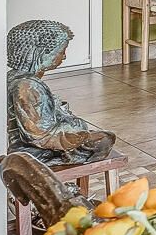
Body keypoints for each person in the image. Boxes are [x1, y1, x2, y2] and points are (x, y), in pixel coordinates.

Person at [7, 20, 116, 165]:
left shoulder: (13, 77)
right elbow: (42, 136)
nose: (64, 56)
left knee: (99, 136)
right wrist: (79, 131)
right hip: (31, 151)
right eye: (61, 51)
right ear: (42, 53)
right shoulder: (28, 86)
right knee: (106, 138)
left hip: (35, 142)